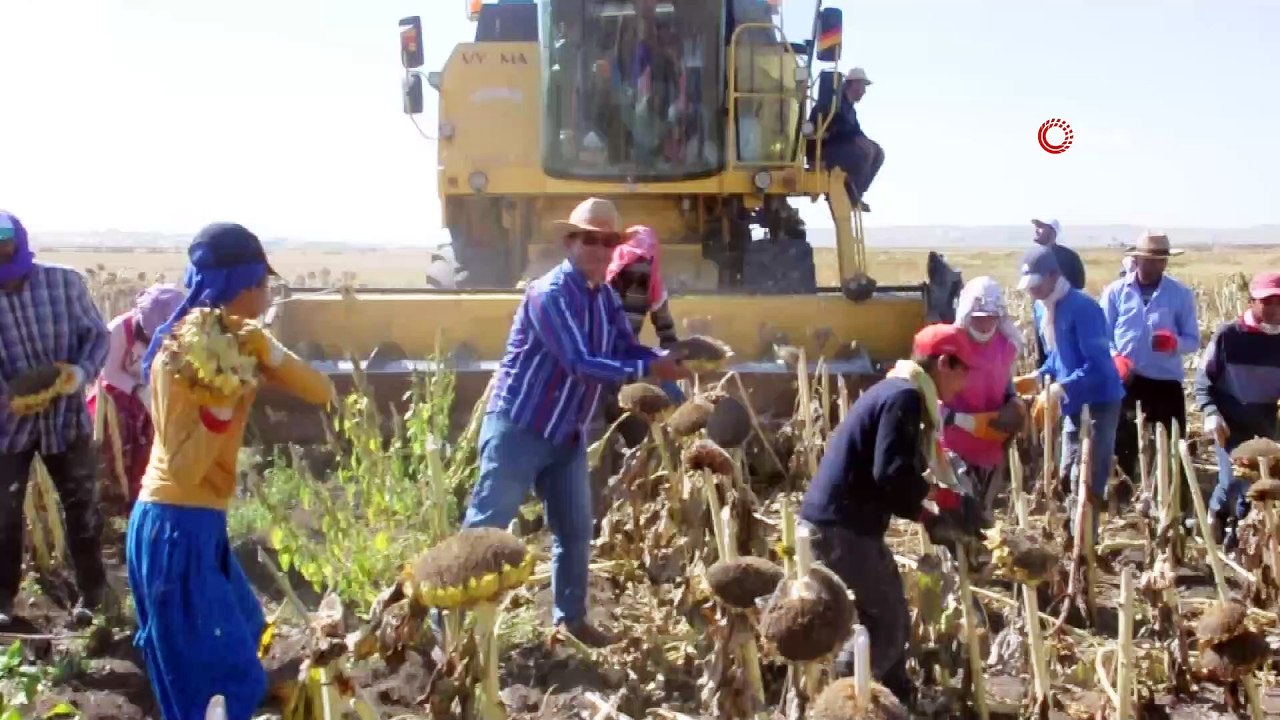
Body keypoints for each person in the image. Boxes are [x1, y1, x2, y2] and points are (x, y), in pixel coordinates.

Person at [126, 223, 335, 720]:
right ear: (241, 284)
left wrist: (269, 352)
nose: (266, 294)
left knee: (242, 636)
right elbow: (184, 465)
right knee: (216, 678)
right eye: (262, 284)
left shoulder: (238, 342)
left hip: (198, 526)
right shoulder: (181, 355)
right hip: (173, 527)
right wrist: (220, 406)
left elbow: (320, 392)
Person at [461, 198, 690, 648]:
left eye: (609, 242)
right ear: (570, 241)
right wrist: (650, 371)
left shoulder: (604, 297)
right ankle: (446, 633)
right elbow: (581, 363)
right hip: (520, 427)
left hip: (566, 434)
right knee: (486, 531)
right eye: (592, 239)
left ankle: (571, 620)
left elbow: (626, 350)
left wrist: (666, 359)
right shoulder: (549, 294)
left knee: (575, 530)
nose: (602, 250)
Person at [800, 323, 984, 708]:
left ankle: (897, 699)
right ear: (945, 363)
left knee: (891, 610)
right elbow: (892, 473)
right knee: (885, 624)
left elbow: (886, 474)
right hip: (841, 527)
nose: (965, 382)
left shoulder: (897, 389)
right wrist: (937, 504)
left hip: (844, 522)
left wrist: (928, 512)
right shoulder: (905, 398)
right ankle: (841, 705)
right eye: (964, 369)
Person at [0, 210, 110, 626]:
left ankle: (94, 596)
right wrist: (9, 398)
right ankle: (3, 603)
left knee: (82, 507)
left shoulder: (64, 283)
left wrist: (80, 374)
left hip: (65, 420)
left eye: (4, 241)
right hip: (7, 428)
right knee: (3, 514)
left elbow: (97, 336)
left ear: (20, 239)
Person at [1015, 245, 1125, 520]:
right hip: (1072, 402)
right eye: (1028, 286)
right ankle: (1070, 533)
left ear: (1054, 275)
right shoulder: (1045, 310)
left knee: (1087, 478)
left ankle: (1087, 540)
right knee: (1067, 474)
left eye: (1037, 284)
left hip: (1099, 401)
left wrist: (1062, 387)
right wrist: (1038, 376)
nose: (1032, 291)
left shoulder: (1083, 308)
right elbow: (1058, 356)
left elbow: (1099, 366)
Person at [1100, 232, 1198, 487]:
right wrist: (1115, 357)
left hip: (1164, 381)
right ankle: (1123, 497)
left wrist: (1175, 343)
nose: (1156, 265)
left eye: (1161, 260)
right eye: (1150, 260)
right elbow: (1101, 335)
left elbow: (1193, 340)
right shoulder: (1116, 292)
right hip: (1127, 379)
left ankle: (1172, 495)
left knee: (1172, 444)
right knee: (1123, 441)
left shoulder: (1180, 294)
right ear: (1137, 260)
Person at [1201, 272, 1280, 548]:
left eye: (1279, 302)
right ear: (1251, 302)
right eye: (1267, 302)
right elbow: (1204, 382)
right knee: (1235, 482)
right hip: (1230, 425)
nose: (1274, 309)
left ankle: (1251, 543)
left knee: (1264, 489)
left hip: (1268, 428)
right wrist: (1211, 413)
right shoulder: (1228, 336)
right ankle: (1219, 525)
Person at [87, 283, 185, 508]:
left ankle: (145, 495)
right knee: (115, 446)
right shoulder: (120, 329)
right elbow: (110, 372)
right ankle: (113, 496)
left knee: (152, 446)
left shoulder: (180, 335)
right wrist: (139, 390)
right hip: (117, 396)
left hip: (156, 395)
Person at [941, 277, 1026, 510]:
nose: (985, 325)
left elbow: (1005, 383)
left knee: (983, 514)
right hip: (954, 444)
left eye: (991, 319)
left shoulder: (1006, 345)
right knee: (957, 512)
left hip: (990, 444)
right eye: (979, 319)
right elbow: (934, 389)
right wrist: (954, 418)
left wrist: (1013, 403)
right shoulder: (950, 346)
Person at [605, 225, 683, 403]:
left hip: (630, 355)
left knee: (673, 397)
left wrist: (674, 361)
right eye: (634, 258)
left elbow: (667, 333)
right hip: (604, 359)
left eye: (644, 259)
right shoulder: (604, 284)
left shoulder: (655, 289)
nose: (638, 266)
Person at [814, 68, 884, 212]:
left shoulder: (850, 109)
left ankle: (856, 192)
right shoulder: (833, 104)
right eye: (863, 86)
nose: (864, 91)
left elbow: (857, 131)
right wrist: (857, 140)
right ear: (854, 84)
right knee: (862, 155)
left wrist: (868, 143)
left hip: (841, 148)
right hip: (827, 150)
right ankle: (850, 192)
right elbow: (835, 129)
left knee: (878, 153)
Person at [1029, 218, 1087, 367]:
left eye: (1041, 226)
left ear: (1052, 231)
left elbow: (1079, 284)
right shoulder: (1032, 257)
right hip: (1041, 314)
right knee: (1044, 356)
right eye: (1036, 226)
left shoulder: (1070, 258)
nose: (1036, 229)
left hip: (1066, 320)